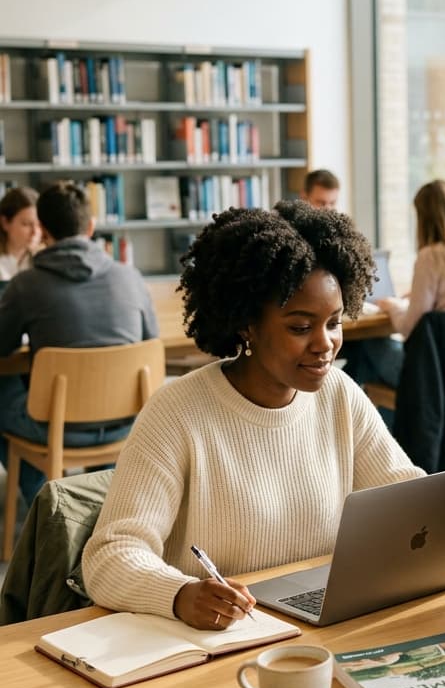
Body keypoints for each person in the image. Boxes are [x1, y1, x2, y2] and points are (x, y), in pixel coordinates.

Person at [82, 201, 422, 629]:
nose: (325, 344)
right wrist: (181, 594)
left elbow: (410, 498)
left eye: (333, 323)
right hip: (221, 637)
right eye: (300, 327)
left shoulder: (339, 394)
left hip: (321, 622)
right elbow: (109, 555)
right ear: (247, 325)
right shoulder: (177, 414)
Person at [0, 181, 158, 504]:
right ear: (91, 226)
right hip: (125, 422)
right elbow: (150, 343)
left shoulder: (26, 285)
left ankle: (46, 506)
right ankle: (100, 500)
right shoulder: (131, 277)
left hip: (57, 426)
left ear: (42, 231)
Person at [344, 179, 445, 390]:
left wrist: (394, 306)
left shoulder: (430, 257)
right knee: (369, 365)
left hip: (438, 379)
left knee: (367, 345)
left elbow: (411, 328)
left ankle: (344, 415)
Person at [0, 186, 41, 281]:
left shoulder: (44, 260)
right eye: (26, 224)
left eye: (39, 225)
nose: (35, 232)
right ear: (5, 222)